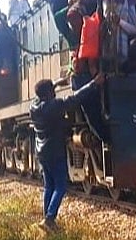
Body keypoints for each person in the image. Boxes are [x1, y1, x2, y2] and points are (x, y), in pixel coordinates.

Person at [30, 75, 102, 232]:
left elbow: (44, 94)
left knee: (49, 186)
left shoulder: (34, 107)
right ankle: (50, 218)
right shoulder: (54, 106)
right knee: (61, 186)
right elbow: (74, 99)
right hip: (55, 151)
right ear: (50, 94)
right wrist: (93, 83)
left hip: (42, 152)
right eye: (53, 91)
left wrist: (55, 83)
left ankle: (46, 219)